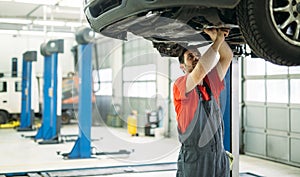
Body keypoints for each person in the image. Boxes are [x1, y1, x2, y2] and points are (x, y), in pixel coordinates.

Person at [173, 28, 233, 177]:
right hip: (196, 160)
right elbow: (200, 70)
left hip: (218, 156)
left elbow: (227, 57)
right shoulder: (181, 85)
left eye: (197, 55)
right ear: (182, 66)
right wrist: (218, 41)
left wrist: (216, 37)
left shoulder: (210, 83)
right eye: (189, 57)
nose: (195, 58)